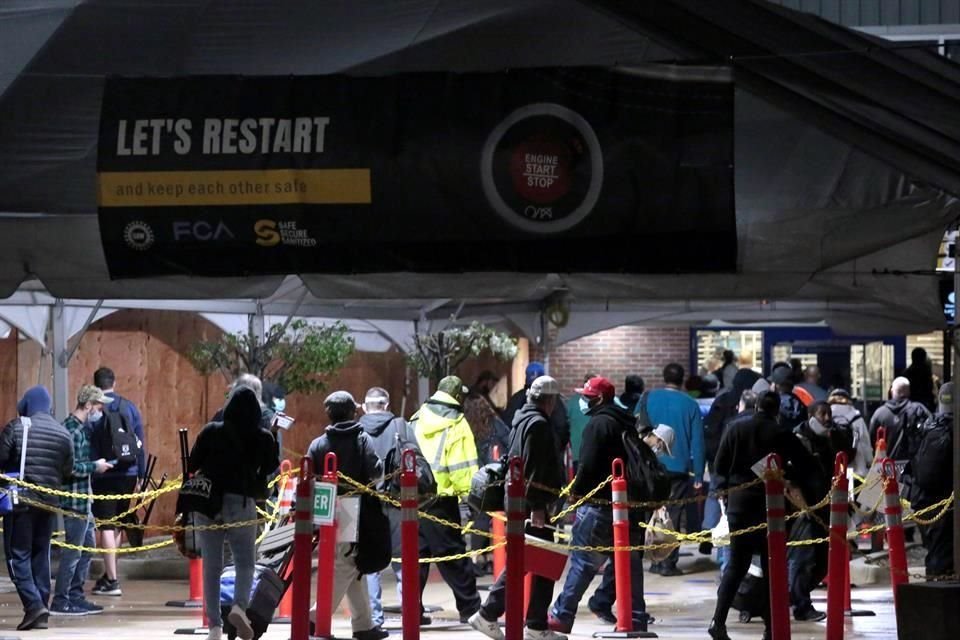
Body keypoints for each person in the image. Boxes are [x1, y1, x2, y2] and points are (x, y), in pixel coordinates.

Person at [709, 391, 819, 640]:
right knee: (773, 568)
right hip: (772, 510)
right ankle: (771, 626)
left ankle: (718, 620)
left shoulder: (734, 429)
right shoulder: (781, 433)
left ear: (755, 406)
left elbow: (720, 466)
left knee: (736, 567)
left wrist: (725, 495)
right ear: (776, 410)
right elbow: (805, 465)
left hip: (739, 505)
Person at [549, 377, 651, 633]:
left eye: (588, 396)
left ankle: (563, 614)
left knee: (583, 561)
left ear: (600, 398)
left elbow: (588, 465)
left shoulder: (598, 424)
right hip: (626, 504)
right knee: (628, 561)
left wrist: (576, 494)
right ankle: (635, 617)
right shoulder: (625, 421)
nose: (584, 400)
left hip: (599, 504)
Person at [469, 376, 567, 640]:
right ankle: (521, 621)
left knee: (527, 560)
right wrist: (538, 506)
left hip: (522, 502)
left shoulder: (522, 418)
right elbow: (535, 467)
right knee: (541, 562)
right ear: (550, 400)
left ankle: (504, 616)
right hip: (533, 505)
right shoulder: (538, 425)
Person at [188, 386, 279, 640]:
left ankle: (215, 626)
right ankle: (239, 607)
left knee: (212, 565)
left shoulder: (210, 431)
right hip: (242, 502)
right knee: (245, 562)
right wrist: (272, 434)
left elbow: (193, 463)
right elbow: (271, 467)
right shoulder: (263, 437)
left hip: (209, 503)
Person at [307, 391, 389, 640]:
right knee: (346, 563)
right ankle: (314, 616)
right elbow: (375, 472)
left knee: (355, 564)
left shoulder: (318, 443)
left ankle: (363, 624)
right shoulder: (362, 439)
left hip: (325, 504)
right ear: (353, 412)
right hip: (354, 506)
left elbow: (309, 477)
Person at [0, 386, 74, 631]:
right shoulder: (64, 433)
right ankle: (42, 604)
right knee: (41, 555)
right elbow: (67, 471)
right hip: (49, 503)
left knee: (17, 555)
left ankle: (33, 605)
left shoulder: (18, 426)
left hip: (21, 503)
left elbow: (1, 459)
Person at [410, 376, 482, 622]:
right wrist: (471, 498)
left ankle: (412, 610)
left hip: (414, 498)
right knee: (453, 557)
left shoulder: (416, 418)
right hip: (442, 502)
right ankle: (471, 609)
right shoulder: (457, 424)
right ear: (457, 396)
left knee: (416, 559)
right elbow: (462, 468)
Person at [358, 387, 425, 627]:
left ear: (365, 407)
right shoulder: (400, 425)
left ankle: (374, 619)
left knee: (370, 565)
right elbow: (415, 459)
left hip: (368, 506)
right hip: (398, 502)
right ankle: (410, 616)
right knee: (404, 560)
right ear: (386, 405)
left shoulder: (357, 430)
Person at [51, 385, 114, 617]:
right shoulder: (73, 432)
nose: (100, 410)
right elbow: (69, 468)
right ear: (88, 405)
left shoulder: (77, 428)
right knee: (73, 553)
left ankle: (76, 596)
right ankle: (61, 600)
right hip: (75, 503)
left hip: (83, 502)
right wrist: (94, 466)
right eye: (98, 406)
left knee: (87, 549)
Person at [90, 366, 146, 596]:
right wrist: (141, 475)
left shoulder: (96, 408)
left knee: (105, 523)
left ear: (95, 385)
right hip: (129, 473)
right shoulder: (129, 407)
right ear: (115, 382)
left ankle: (112, 580)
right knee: (118, 522)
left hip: (104, 473)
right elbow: (140, 442)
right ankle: (109, 572)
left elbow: (89, 441)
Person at [645, 363, 705, 576]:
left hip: (651, 465)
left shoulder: (648, 398)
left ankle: (654, 559)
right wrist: (698, 473)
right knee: (674, 514)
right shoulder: (690, 404)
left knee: (653, 511)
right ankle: (668, 563)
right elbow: (698, 441)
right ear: (682, 380)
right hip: (678, 468)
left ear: (664, 376)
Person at [786, 403, 835, 622]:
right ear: (810, 416)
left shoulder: (828, 439)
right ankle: (801, 605)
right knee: (803, 559)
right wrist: (803, 508)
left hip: (823, 507)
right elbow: (791, 480)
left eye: (828, 414)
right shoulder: (799, 440)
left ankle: (793, 596)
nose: (826, 418)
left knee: (822, 561)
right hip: (803, 510)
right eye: (822, 414)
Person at [906, 382, 955, 577]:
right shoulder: (952, 430)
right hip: (942, 504)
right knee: (942, 554)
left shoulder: (929, 425)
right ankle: (937, 595)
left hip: (922, 501)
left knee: (935, 550)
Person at [503, 362, 570, 459]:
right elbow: (562, 426)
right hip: (549, 456)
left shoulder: (516, 399)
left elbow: (507, 426)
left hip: (521, 457)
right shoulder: (553, 399)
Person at [868, 377, 932, 459]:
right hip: (912, 467)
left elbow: (870, 441)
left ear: (891, 391)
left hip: (886, 466)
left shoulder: (879, 413)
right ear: (909, 392)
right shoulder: (919, 410)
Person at [826, 389, 872, 478]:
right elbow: (865, 442)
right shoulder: (856, 418)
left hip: (834, 472)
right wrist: (869, 461)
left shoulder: (826, 418)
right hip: (856, 472)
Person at [566, 372, 597, 472]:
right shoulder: (600, 403)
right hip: (595, 454)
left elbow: (564, 425)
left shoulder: (572, 402)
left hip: (577, 454)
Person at [902, 347, 936, 411]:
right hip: (925, 406)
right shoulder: (926, 373)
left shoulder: (906, 373)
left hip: (909, 407)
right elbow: (929, 389)